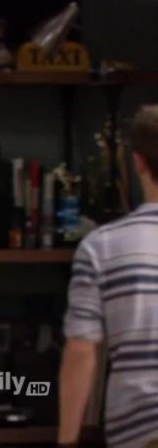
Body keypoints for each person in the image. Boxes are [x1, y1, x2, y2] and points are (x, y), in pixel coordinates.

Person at [58, 105, 158, 447]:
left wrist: (67, 441)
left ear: (138, 161)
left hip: (142, 431)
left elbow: (81, 351)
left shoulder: (102, 246)